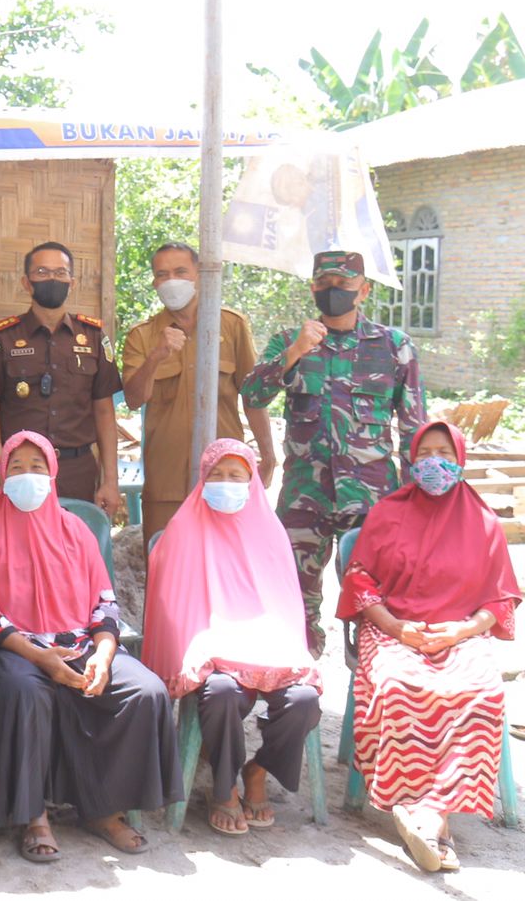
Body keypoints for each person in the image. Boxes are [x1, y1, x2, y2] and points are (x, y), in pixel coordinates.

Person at [0, 430, 179, 862]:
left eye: (36, 467)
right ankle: (33, 814)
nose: (26, 476)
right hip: (12, 648)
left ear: (53, 472)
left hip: (79, 643)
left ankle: (103, 810)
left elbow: (104, 602)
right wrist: (40, 657)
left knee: (145, 691)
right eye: (15, 467)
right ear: (1, 472)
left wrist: (104, 653)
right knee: (25, 691)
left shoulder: (76, 530)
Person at [336, 420, 520, 873]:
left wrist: (459, 631)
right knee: (399, 686)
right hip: (393, 628)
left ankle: (428, 815)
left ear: (460, 461)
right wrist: (397, 628)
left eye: (445, 453)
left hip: (458, 632)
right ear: (412, 461)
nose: (434, 462)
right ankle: (434, 822)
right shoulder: (387, 513)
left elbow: (500, 598)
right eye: (425, 454)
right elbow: (360, 581)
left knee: (481, 693)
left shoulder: (483, 522)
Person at [241, 249, 425, 656]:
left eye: (343, 284)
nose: (333, 292)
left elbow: (414, 431)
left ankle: (368, 700)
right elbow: (252, 394)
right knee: (290, 606)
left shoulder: (394, 347)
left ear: (364, 290)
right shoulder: (290, 340)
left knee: (374, 608)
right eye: (324, 284)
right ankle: (296, 699)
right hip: (305, 498)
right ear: (312, 289)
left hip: (372, 504)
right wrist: (294, 354)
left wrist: (416, 506)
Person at [143, 438, 322, 835]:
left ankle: (258, 771)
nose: (227, 483)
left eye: (236, 475)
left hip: (266, 650)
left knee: (305, 700)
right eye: (217, 475)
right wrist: (210, 647)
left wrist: (270, 647)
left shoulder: (270, 532)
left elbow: (285, 608)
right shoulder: (183, 530)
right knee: (221, 693)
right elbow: (173, 609)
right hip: (213, 653)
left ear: (252, 480)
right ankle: (224, 788)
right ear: (203, 479)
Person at [121, 242, 275, 541]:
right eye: (162, 274)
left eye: (180, 271)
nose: (172, 280)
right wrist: (156, 356)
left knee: (226, 566)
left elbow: (253, 396)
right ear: (154, 283)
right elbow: (133, 399)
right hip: (167, 480)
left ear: (200, 276)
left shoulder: (231, 326)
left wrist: (268, 455)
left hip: (226, 477)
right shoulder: (142, 336)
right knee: (165, 568)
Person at [0, 241, 123, 513]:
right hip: (20, 471)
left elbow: (103, 411)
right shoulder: (2, 338)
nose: (52, 279)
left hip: (77, 471)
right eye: (42, 272)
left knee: (72, 551)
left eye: (60, 273)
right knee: (17, 552)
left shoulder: (94, 338)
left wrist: (110, 480)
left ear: (72, 282)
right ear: (27, 283)